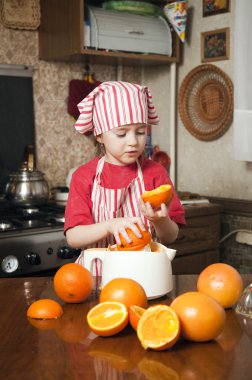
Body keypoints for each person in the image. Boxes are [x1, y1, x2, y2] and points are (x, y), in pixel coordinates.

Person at [64, 81, 185, 260]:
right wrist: (109, 226)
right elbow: (73, 238)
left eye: (140, 131)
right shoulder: (84, 176)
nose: (133, 142)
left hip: (145, 276)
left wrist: (160, 220)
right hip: (98, 277)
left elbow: (171, 236)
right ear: (99, 135)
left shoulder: (155, 173)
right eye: (121, 133)